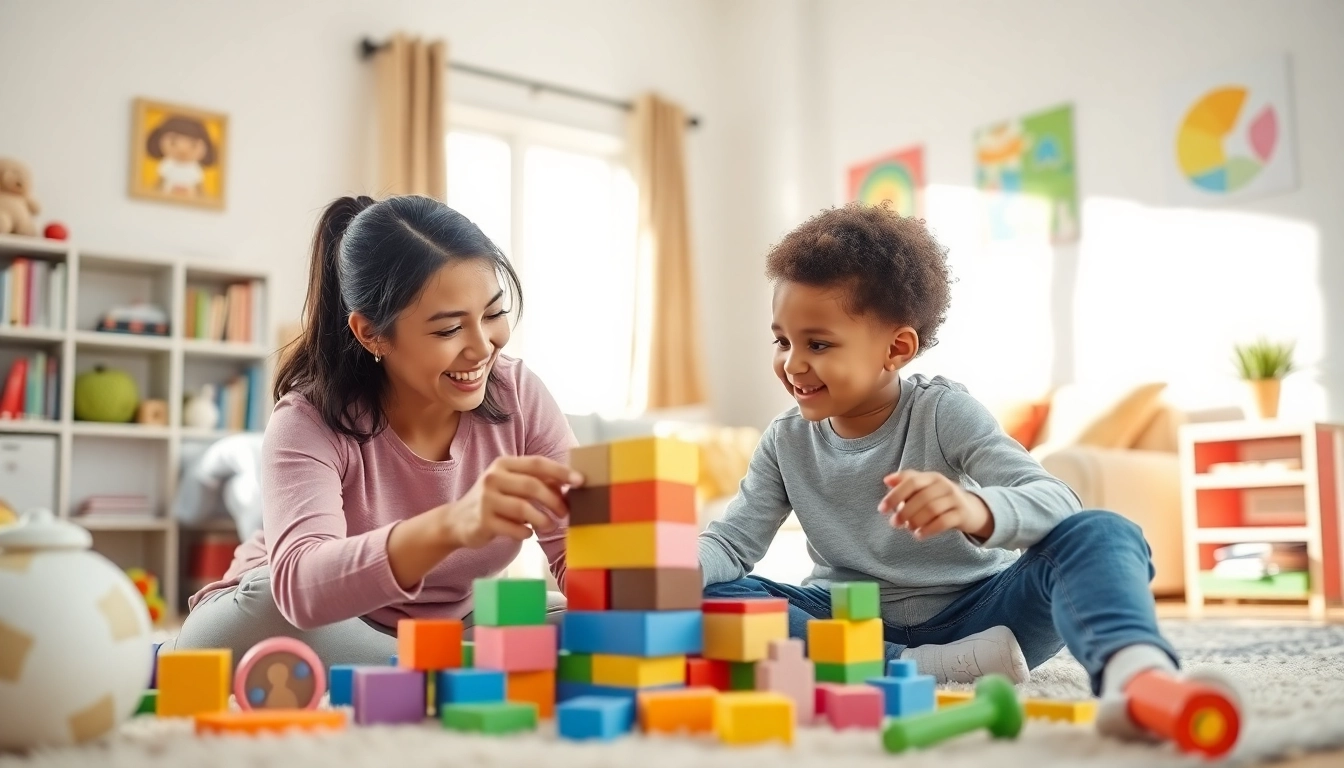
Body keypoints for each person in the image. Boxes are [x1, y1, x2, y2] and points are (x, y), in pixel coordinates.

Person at [698, 203, 1240, 752]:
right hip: (848, 628)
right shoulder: (784, 439)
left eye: (817, 344)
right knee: (708, 594)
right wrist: (662, 572)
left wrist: (979, 511)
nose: (792, 364)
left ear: (896, 349)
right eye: (782, 341)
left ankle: (1136, 677)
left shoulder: (942, 411)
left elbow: (1057, 501)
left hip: (985, 617)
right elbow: (732, 542)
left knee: (1105, 532)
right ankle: (909, 667)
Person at [173, 194, 579, 668]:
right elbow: (301, 588)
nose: (482, 347)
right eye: (449, 330)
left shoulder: (519, 394)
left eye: (492, 314)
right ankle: (447, 665)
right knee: (267, 607)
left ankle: (437, 664)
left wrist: (654, 580)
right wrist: (451, 524)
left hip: (456, 626)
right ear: (371, 334)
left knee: (578, 621)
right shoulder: (308, 418)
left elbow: (579, 555)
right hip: (313, 621)